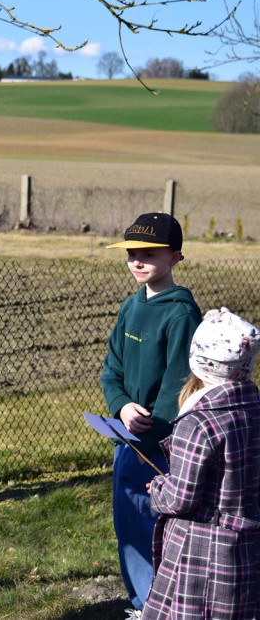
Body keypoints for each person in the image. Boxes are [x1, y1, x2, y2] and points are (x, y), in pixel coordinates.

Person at [101, 212, 202, 616]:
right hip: (126, 436)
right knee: (126, 521)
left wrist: (151, 429)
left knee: (153, 525)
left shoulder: (181, 314)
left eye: (150, 254)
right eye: (131, 254)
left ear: (176, 257)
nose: (138, 261)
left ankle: (157, 603)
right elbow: (112, 370)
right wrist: (121, 406)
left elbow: (181, 385)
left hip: (158, 446)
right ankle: (141, 601)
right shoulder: (129, 308)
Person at [141, 307, 260, 620]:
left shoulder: (199, 423)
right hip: (246, 546)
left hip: (201, 552)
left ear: (199, 362)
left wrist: (158, 489)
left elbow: (182, 497)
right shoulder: (254, 410)